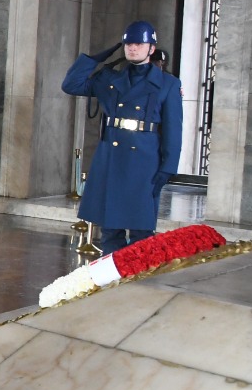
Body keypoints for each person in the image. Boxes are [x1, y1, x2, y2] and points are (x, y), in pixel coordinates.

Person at [62, 20, 183, 252]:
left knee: (141, 229)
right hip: (111, 158)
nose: (132, 48)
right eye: (128, 43)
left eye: (139, 43)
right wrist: (96, 58)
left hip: (144, 160)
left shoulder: (168, 84)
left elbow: (173, 130)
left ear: (151, 48)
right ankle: (112, 278)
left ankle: (137, 281)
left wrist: (168, 168)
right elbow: (71, 84)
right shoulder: (109, 78)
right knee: (110, 227)